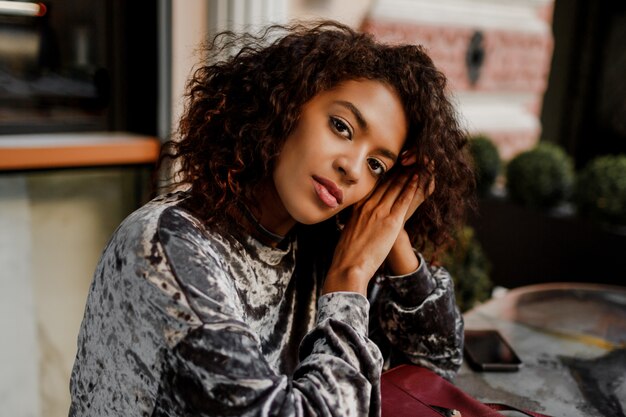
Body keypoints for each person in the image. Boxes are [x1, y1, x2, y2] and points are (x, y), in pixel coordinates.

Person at [69, 20, 474, 417]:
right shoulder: (167, 246)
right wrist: (349, 278)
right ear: (285, 107)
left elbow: (435, 363)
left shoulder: (317, 241)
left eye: (377, 166)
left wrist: (390, 225)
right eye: (341, 127)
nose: (353, 169)